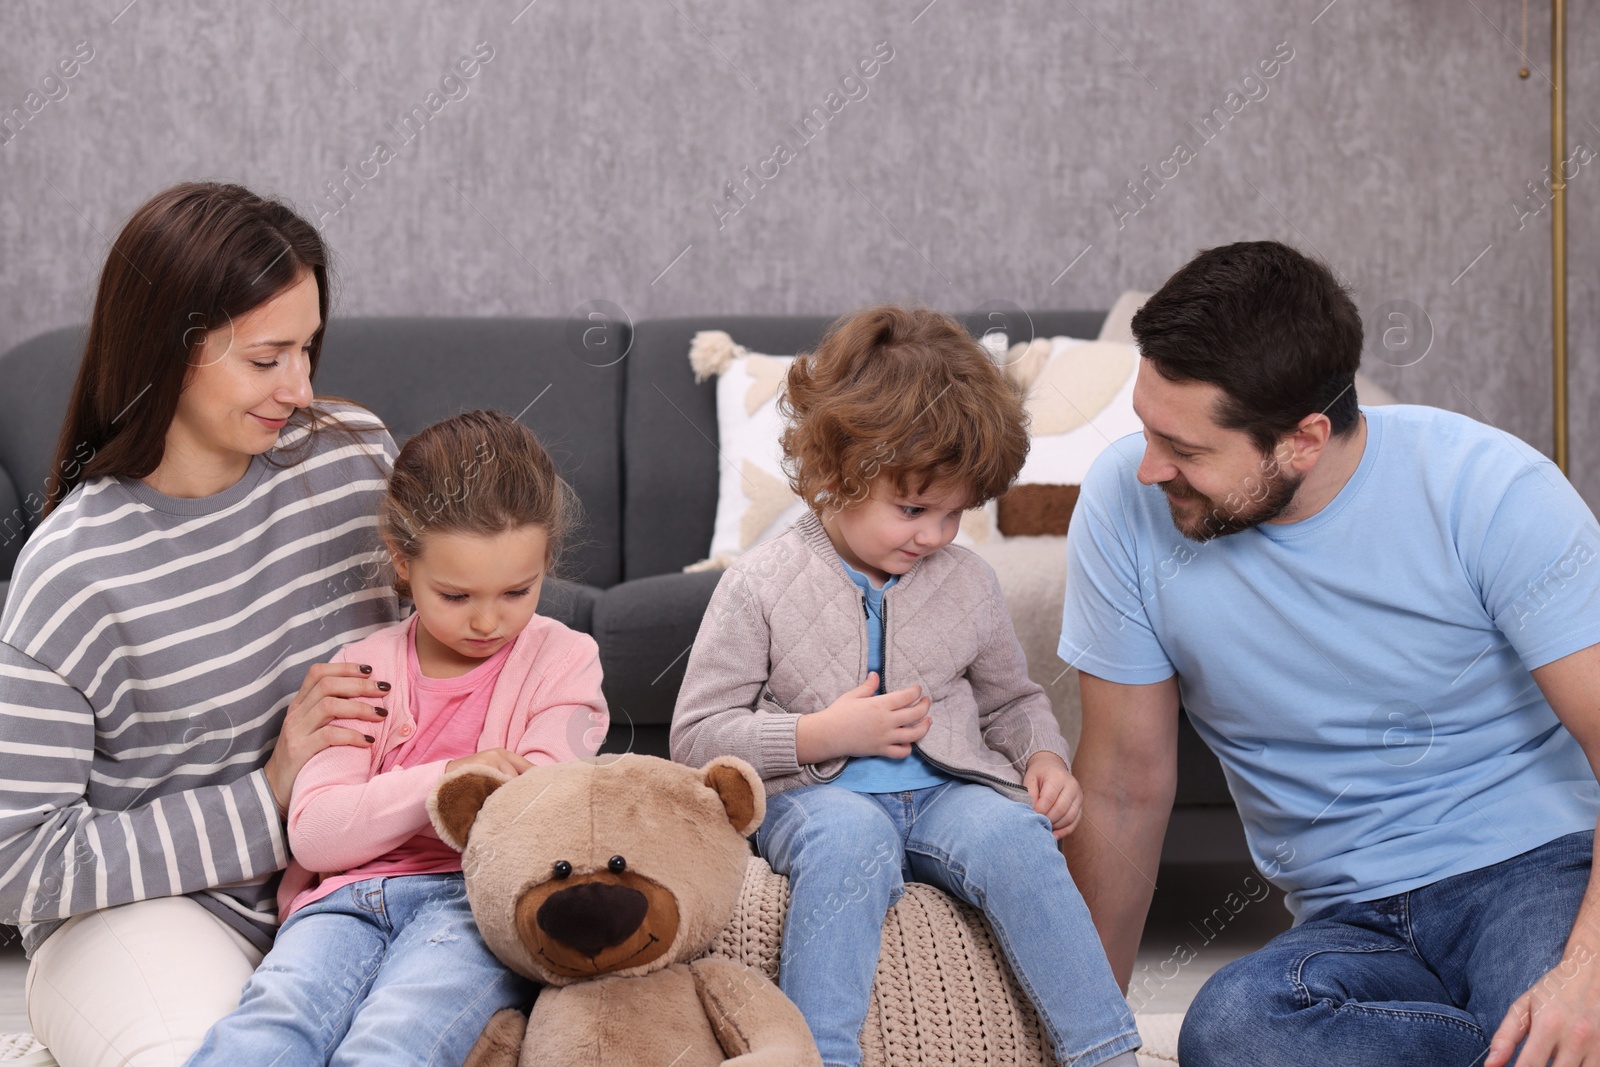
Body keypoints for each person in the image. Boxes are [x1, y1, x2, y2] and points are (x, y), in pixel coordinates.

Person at [1059, 240, 1600, 1067]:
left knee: (1562, 1025)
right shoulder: (1122, 511)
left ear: (1303, 440)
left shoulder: (1490, 491)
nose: (1149, 467)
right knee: (1231, 1032)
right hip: (1349, 923)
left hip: (1535, 872)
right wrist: (1080, 1046)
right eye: (1146, 428)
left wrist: (1585, 975)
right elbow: (1122, 789)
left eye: (1188, 449)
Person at [672, 306, 1141, 1067]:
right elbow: (697, 737)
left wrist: (1044, 758)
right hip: (815, 796)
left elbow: (1013, 701)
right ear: (834, 474)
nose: (935, 535)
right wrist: (820, 735)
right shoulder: (759, 584)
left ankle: (1106, 1048)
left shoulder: (967, 582)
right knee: (851, 841)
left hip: (947, 791)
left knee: (1017, 836)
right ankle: (815, 1054)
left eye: (956, 512)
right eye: (914, 509)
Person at [0, 182, 399, 1065]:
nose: (299, 388)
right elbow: (17, 860)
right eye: (266, 360)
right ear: (169, 351)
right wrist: (270, 794)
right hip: (148, 915)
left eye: (308, 349)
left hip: (352, 886)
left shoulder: (356, 461)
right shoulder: (76, 570)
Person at [186, 409, 607, 1066]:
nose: (488, 620)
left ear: (547, 559)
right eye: (456, 594)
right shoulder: (362, 666)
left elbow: (538, 824)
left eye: (517, 590)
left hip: (470, 906)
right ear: (401, 561)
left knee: (395, 1037)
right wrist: (451, 778)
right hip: (343, 903)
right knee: (274, 1022)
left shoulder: (565, 660)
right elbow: (320, 833)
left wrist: (389, 795)